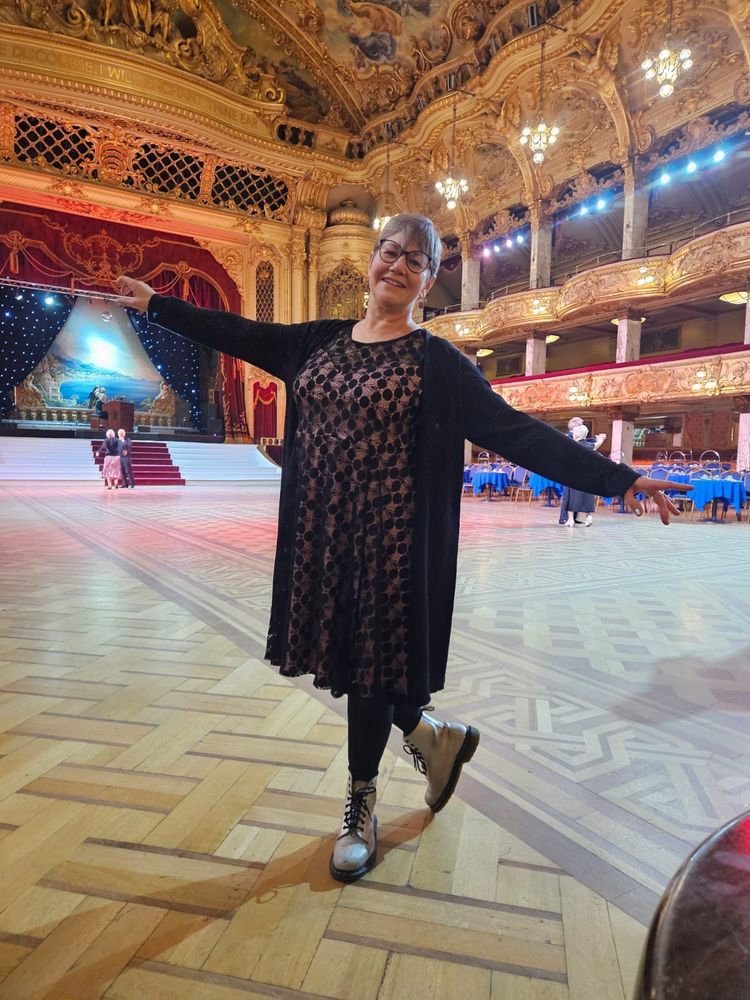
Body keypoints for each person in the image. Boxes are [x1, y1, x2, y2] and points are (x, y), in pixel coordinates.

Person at [114, 213, 690, 884]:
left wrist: (621, 478)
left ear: (426, 281)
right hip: (323, 538)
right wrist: (158, 306)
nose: (398, 265)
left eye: (414, 260)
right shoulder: (313, 344)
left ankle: (359, 805)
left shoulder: (438, 363)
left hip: (394, 546)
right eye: (390, 251)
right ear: (372, 261)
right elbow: (236, 332)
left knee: (367, 672)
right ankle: (432, 739)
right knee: (370, 669)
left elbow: (518, 434)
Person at [564, 424, 606, 526]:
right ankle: (589, 516)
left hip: (573, 475)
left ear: (577, 435)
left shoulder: (571, 445)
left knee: (571, 497)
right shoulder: (589, 446)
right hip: (587, 476)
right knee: (587, 496)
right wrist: (601, 439)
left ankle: (571, 520)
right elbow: (597, 445)